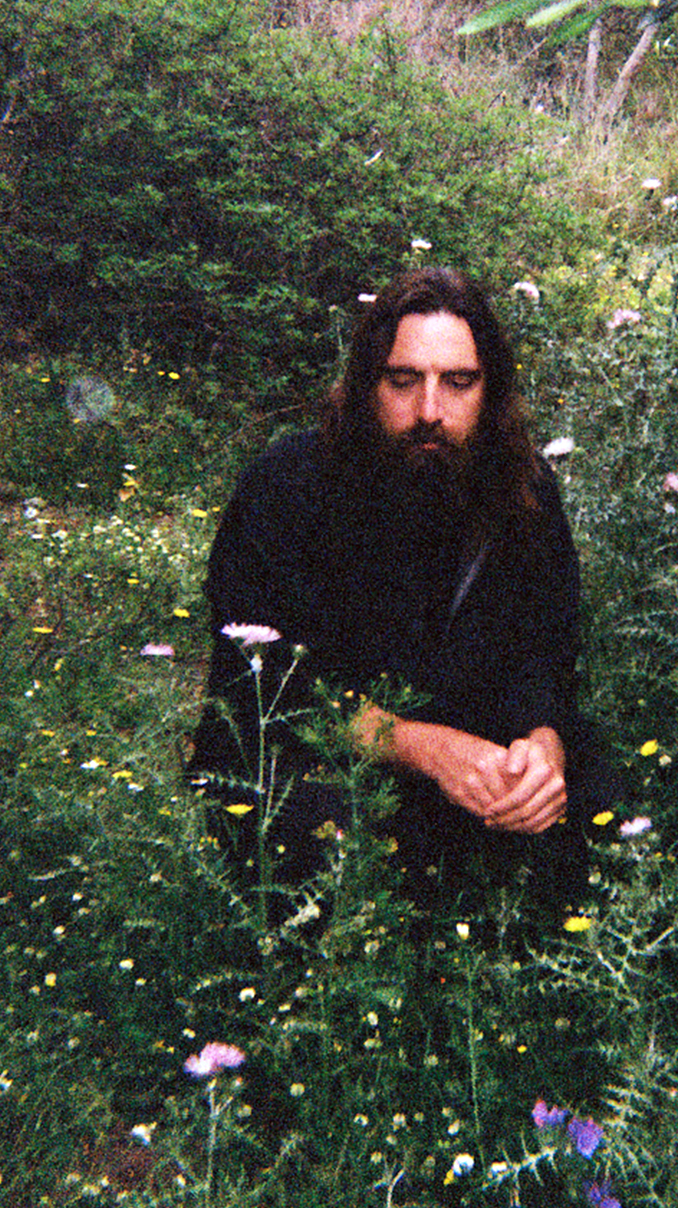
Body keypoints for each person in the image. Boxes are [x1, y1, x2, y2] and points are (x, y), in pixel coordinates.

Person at [187, 267, 623, 909]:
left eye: (458, 383)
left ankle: (536, 980)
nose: (429, 412)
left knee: (594, 789)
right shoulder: (286, 487)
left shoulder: (523, 496)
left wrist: (542, 747)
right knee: (309, 819)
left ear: (490, 391)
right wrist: (420, 746)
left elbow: (547, 656)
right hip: (319, 759)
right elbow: (259, 688)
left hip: (469, 759)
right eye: (403, 380)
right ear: (367, 386)